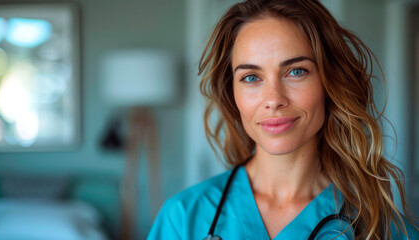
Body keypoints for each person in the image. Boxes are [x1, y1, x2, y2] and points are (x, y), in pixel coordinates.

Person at [147, 0, 419, 239]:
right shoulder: (183, 219)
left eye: (296, 71)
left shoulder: (380, 229)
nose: (274, 98)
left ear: (329, 82)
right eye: (251, 77)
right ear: (233, 93)